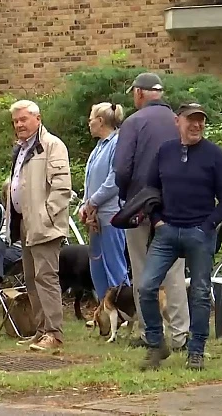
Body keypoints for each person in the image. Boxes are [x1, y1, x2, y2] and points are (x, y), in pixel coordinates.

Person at [139, 103, 222, 371]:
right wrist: (157, 220)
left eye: (201, 121)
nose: (196, 125)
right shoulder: (165, 151)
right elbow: (150, 190)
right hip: (167, 231)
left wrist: (208, 226)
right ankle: (157, 345)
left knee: (201, 292)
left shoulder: (214, 155)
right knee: (146, 287)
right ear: (177, 121)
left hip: (199, 232)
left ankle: (196, 350)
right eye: (190, 120)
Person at [112, 72, 190, 350]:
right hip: (177, 207)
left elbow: (121, 167)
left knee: (142, 270)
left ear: (140, 94)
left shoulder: (134, 122)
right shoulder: (179, 121)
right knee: (175, 272)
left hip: (140, 205)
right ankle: (181, 335)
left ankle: (149, 333)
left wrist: (126, 195)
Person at [6, 99, 72, 352]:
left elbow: (62, 188)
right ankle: (41, 330)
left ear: (38, 118)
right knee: (32, 279)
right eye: (16, 121)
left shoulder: (52, 146)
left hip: (44, 225)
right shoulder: (21, 148)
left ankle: (54, 334)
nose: (19, 124)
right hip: (24, 222)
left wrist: (46, 216)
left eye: (23, 119)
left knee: (46, 277)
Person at [80, 102, 130, 300]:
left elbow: (114, 180)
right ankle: (105, 313)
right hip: (95, 219)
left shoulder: (118, 144)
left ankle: (124, 311)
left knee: (114, 267)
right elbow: (90, 181)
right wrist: (85, 206)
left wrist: (92, 202)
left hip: (111, 217)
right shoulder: (98, 147)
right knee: (97, 268)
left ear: (100, 121)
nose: (89, 122)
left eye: (91, 118)